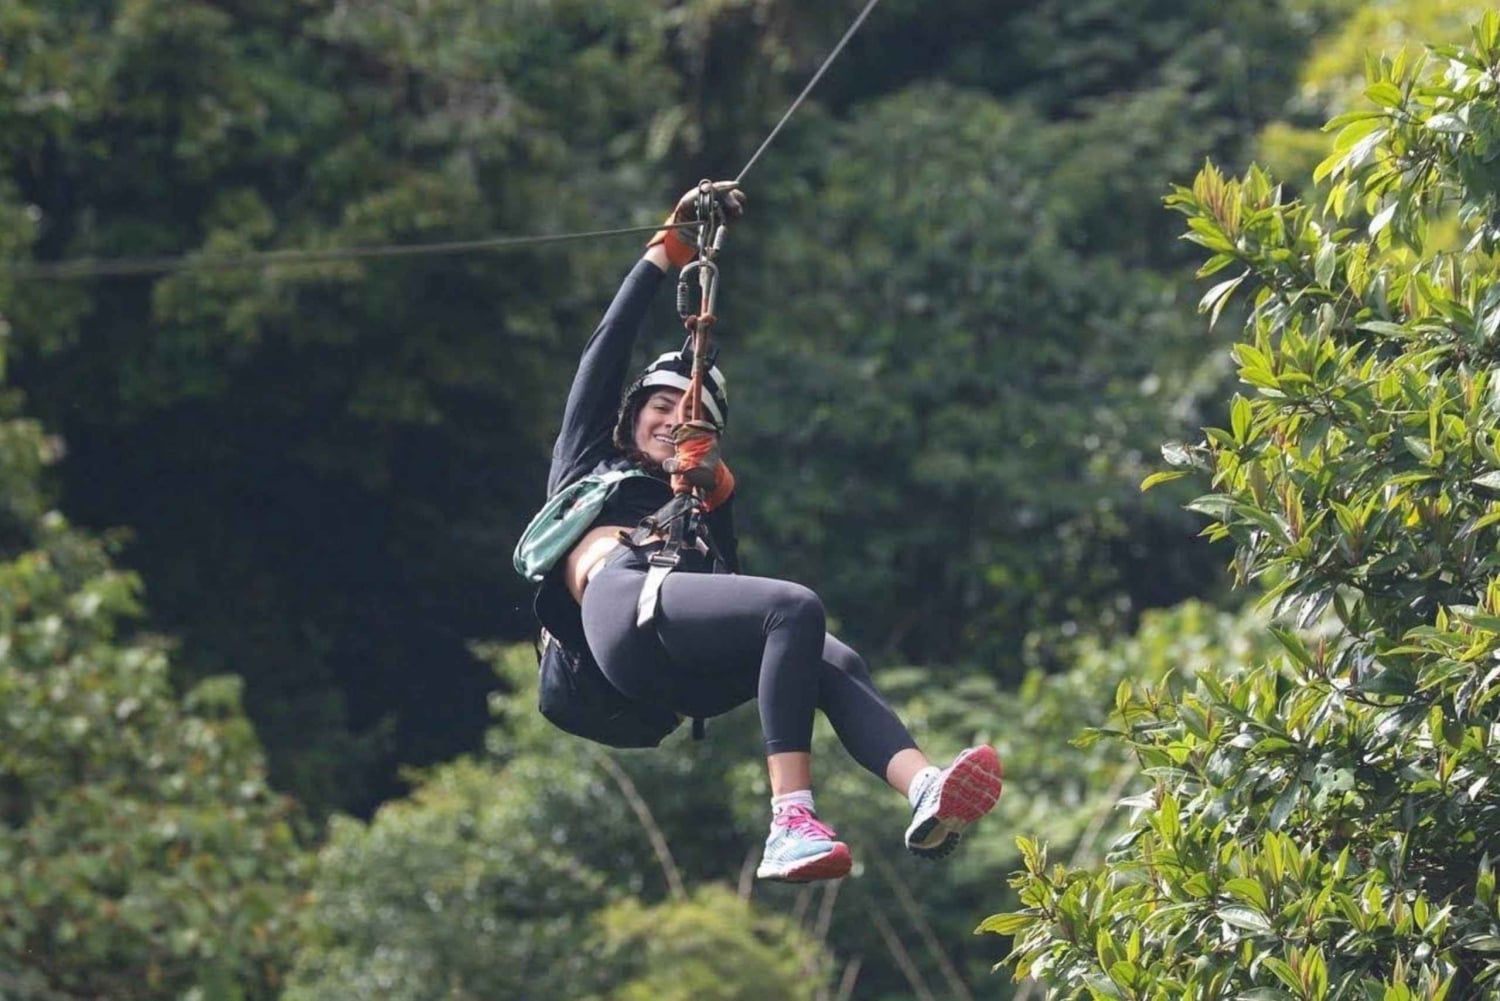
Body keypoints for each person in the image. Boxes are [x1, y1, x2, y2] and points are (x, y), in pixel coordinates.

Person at [533, 182, 1002, 882]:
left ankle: (924, 786)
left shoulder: (699, 499)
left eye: (688, 412)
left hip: (677, 673)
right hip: (617, 611)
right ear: (633, 416)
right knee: (794, 605)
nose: (670, 419)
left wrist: (715, 487)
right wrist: (665, 253)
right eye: (661, 406)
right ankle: (791, 820)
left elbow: (727, 592)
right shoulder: (591, 463)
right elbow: (605, 349)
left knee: (827, 654)